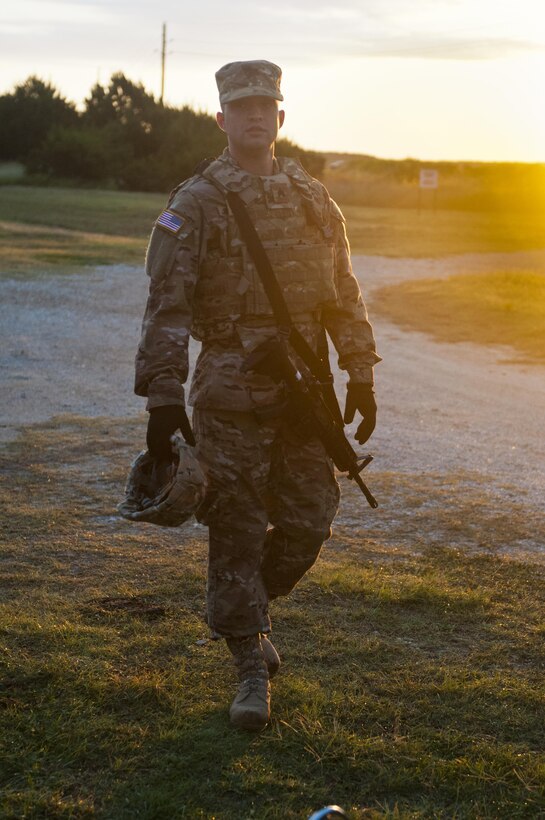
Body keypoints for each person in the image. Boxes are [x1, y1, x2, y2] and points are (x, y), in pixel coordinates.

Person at [134, 60, 380, 731]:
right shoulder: (198, 201)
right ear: (220, 119)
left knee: (310, 517)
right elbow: (166, 307)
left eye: (262, 104)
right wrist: (162, 396)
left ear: (280, 116)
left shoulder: (311, 199)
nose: (251, 115)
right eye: (237, 106)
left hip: (304, 396)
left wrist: (358, 370)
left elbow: (343, 294)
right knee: (236, 532)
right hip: (228, 397)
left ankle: (244, 608)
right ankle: (249, 663)